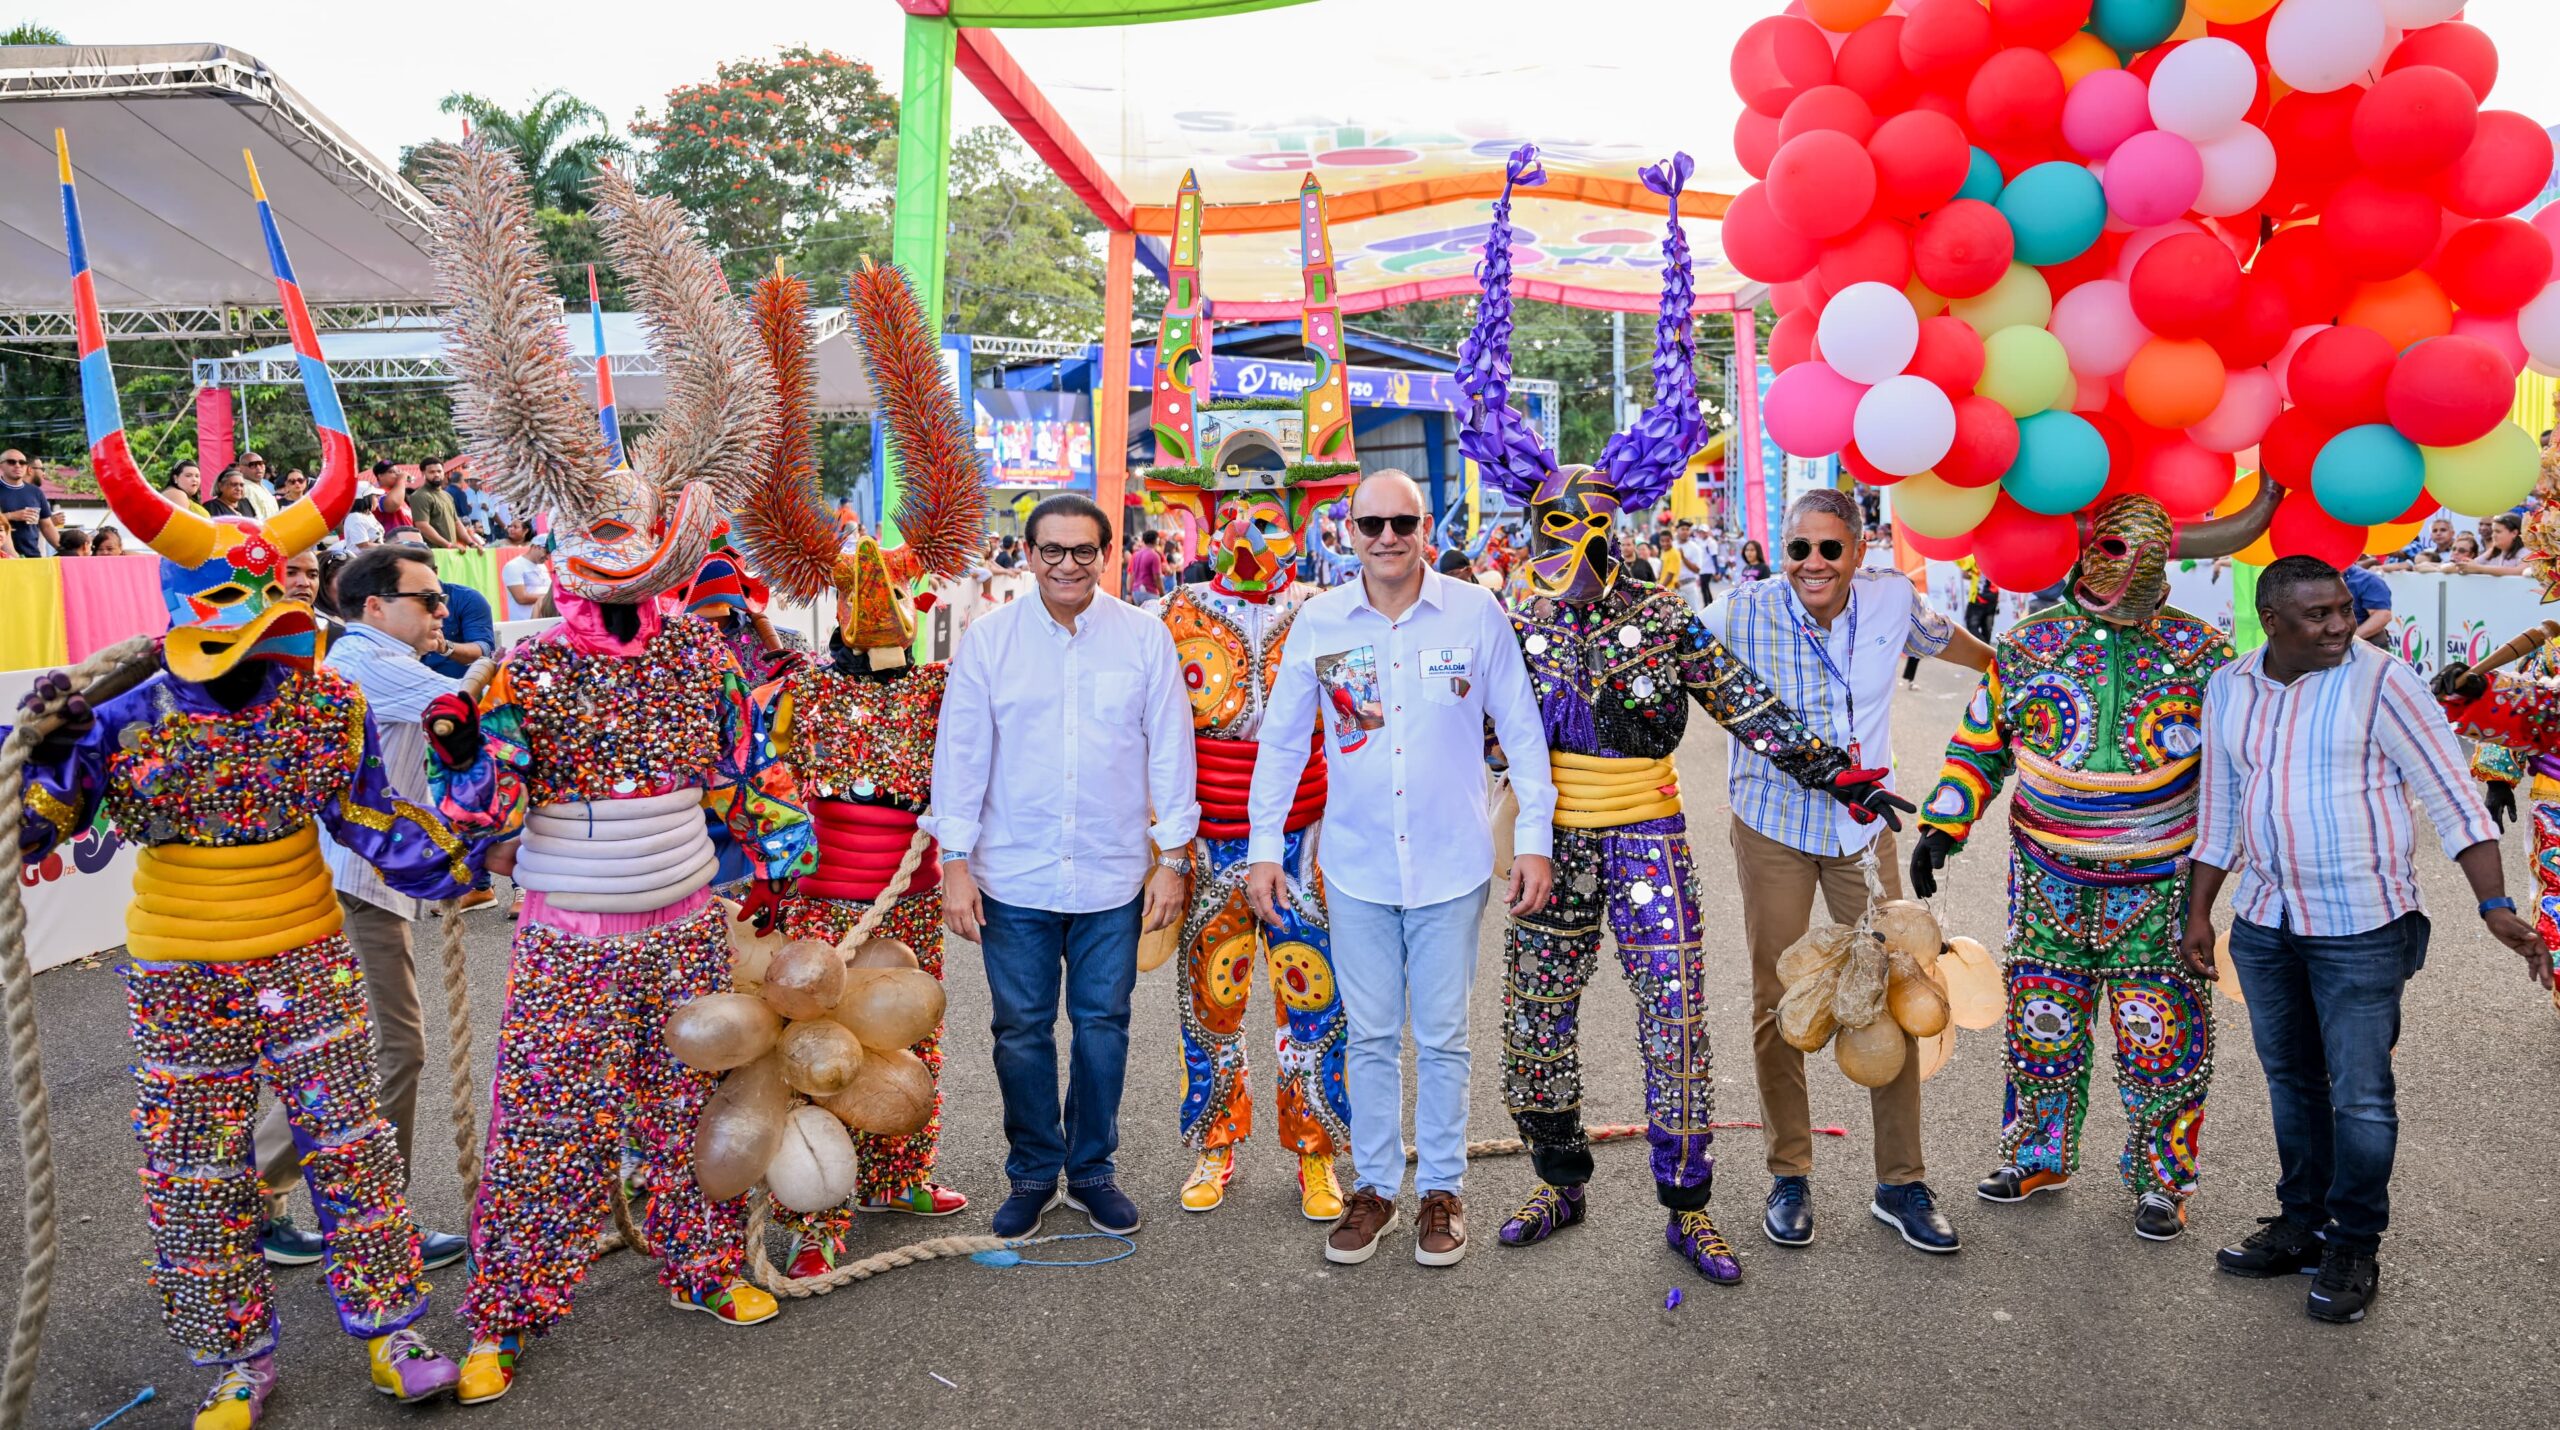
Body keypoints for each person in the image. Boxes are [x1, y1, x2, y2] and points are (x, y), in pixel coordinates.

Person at [21, 148, 481, 1423]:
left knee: (354, 1154)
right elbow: (43, 818)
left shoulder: (323, 703)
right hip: (178, 968)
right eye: (230, 591)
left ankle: (391, 1327)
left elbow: (376, 820)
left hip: (305, 950)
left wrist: (468, 844)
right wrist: (39, 760)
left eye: (271, 587)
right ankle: (236, 1359)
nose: (260, 609)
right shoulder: (122, 715)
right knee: (193, 1172)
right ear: (182, 599)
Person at [1456, 146, 1912, 1286]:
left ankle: (1689, 1206)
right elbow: (1462, 729)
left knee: (1676, 1024)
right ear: (1532, 523)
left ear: (1623, 522)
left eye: (1595, 519)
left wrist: (1841, 772)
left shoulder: (1662, 616)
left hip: (1649, 838)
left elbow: (1750, 709)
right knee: (1534, 1025)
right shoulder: (1512, 619)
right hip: (1549, 846)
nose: (1579, 538)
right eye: (1558, 521)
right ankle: (1559, 1179)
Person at [421, 140, 815, 1404]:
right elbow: (484, 803)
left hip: (685, 926)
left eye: (634, 530)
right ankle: (506, 1308)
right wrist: (461, 751)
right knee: (545, 1123)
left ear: (670, 535)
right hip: (570, 937)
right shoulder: (527, 666)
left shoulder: (705, 651)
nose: (617, 552)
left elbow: (748, 775)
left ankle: (703, 1262)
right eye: (595, 533)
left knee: (693, 1103)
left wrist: (780, 867)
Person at [2185, 556, 2549, 1325]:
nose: (2340, 626)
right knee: (2292, 1082)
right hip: (2266, 923)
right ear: (2272, 621)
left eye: (2344, 609)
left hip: (2364, 926)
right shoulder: (2230, 686)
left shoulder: (2386, 682)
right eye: (2318, 615)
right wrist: (2200, 913)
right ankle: (2302, 1224)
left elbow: (2454, 799)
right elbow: (2220, 806)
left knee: (2360, 1095)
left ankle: (2354, 1243)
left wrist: (2493, 905)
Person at [1911, 490, 2269, 1242]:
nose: (2129, 569)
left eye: (2147, 556)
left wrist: (2250, 858)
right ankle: (2037, 1157)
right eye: (2114, 551)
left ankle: (2162, 1181)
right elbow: (1981, 742)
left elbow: (2239, 766)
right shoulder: (2027, 645)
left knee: (2161, 1035)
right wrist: (1943, 824)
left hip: (2161, 883)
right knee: (2043, 1023)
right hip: (2046, 877)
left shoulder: (2205, 654)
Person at [730, 261, 988, 1275]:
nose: (875, 610)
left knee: (913, 1032)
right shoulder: (797, 686)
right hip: (824, 898)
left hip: (911, 894)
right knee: (819, 1046)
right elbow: (760, 777)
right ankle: (817, 1213)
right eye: (856, 596)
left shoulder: (939, 688)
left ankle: (901, 1170)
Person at [1244, 469, 1555, 1267]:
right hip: (1358, 867)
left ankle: (1443, 1190)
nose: (1387, 538)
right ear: (1348, 532)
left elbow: (1522, 730)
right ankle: (1376, 1188)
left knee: (1444, 1036)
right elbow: (1282, 743)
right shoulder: (1319, 622)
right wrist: (1263, 848)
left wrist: (1534, 839)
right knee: (1373, 1033)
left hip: (1452, 864)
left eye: (1403, 523)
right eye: (1372, 524)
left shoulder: (1475, 612)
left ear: (1425, 529)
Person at [1718, 488, 1992, 1256]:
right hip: (1772, 823)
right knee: (1781, 996)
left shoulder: (1892, 599)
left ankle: (1900, 1182)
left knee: (1898, 988)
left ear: (1859, 551)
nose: (1812, 563)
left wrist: (2018, 670)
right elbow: (1670, 656)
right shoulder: (1740, 611)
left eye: (1829, 548)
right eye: (1798, 548)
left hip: (1864, 829)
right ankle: (1789, 1174)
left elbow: (1956, 645)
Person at [929, 491, 1198, 1242]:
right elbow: (961, 754)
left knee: (1103, 1026)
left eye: (1084, 550)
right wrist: (954, 861)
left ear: (1107, 555)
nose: (1068, 564)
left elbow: (1172, 751)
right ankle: (1031, 1173)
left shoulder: (1144, 638)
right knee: (1019, 1029)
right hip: (1014, 873)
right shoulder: (990, 642)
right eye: (1053, 550)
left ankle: (1091, 1171)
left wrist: (1174, 857)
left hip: (1113, 875)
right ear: (1029, 554)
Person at [250, 547, 472, 1274]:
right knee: (392, 1049)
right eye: (428, 598)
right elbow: (474, 704)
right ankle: (373, 1221)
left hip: (357, 882)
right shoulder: (367, 662)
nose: (442, 610)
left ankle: (257, 1197)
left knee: (342, 1052)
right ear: (374, 606)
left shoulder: (371, 660)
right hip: (356, 886)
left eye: (442, 599)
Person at [422, 568, 495, 680]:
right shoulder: (399, 602)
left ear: (434, 572)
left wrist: (445, 647)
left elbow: (484, 651)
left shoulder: (467, 598)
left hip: (459, 684)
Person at [408, 455, 478, 550]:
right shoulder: (420, 496)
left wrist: (471, 543)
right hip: (432, 552)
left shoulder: (447, 496)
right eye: (432, 472)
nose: (436, 474)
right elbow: (422, 526)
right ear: (423, 473)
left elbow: (457, 523)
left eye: (439, 471)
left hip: (450, 552)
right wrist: (448, 545)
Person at [2, 448, 61, 557]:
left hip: (32, 554)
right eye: (11, 462)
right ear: (1, 466)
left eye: (22, 462)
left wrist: (64, 550)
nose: (18, 465)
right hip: (4, 558)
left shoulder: (35, 491)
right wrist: (11, 516)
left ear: (26, 466)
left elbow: (47, 526)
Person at [500, 529, 552, 620]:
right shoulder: (514, 566)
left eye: (550, 553)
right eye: (546, 552)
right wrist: (551, 597)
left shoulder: (542, 566)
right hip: (524, 622)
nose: (548, 557)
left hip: (543, 620)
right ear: (536, 547)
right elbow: (521, 598)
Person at [2342, 559, 2393, 646]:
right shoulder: (2319, 578)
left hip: (2363, 644)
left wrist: (2351, 639)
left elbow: (2383, 615)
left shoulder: (2367, 580)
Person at [235, 450, 282, 521]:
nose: (258, 468)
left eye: (261, 463)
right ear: (241, 468)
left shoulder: (262, 487)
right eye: (252, 465)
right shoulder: (244, 488)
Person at [1127, 526, 1166, 601]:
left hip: (1136, 592)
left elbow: (1131, 574)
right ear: (1156, 540)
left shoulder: (1136, 555)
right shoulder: (1154, 556)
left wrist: (1129, 593)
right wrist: (1162, 594)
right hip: (1149, 592)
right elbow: (1157, 577)